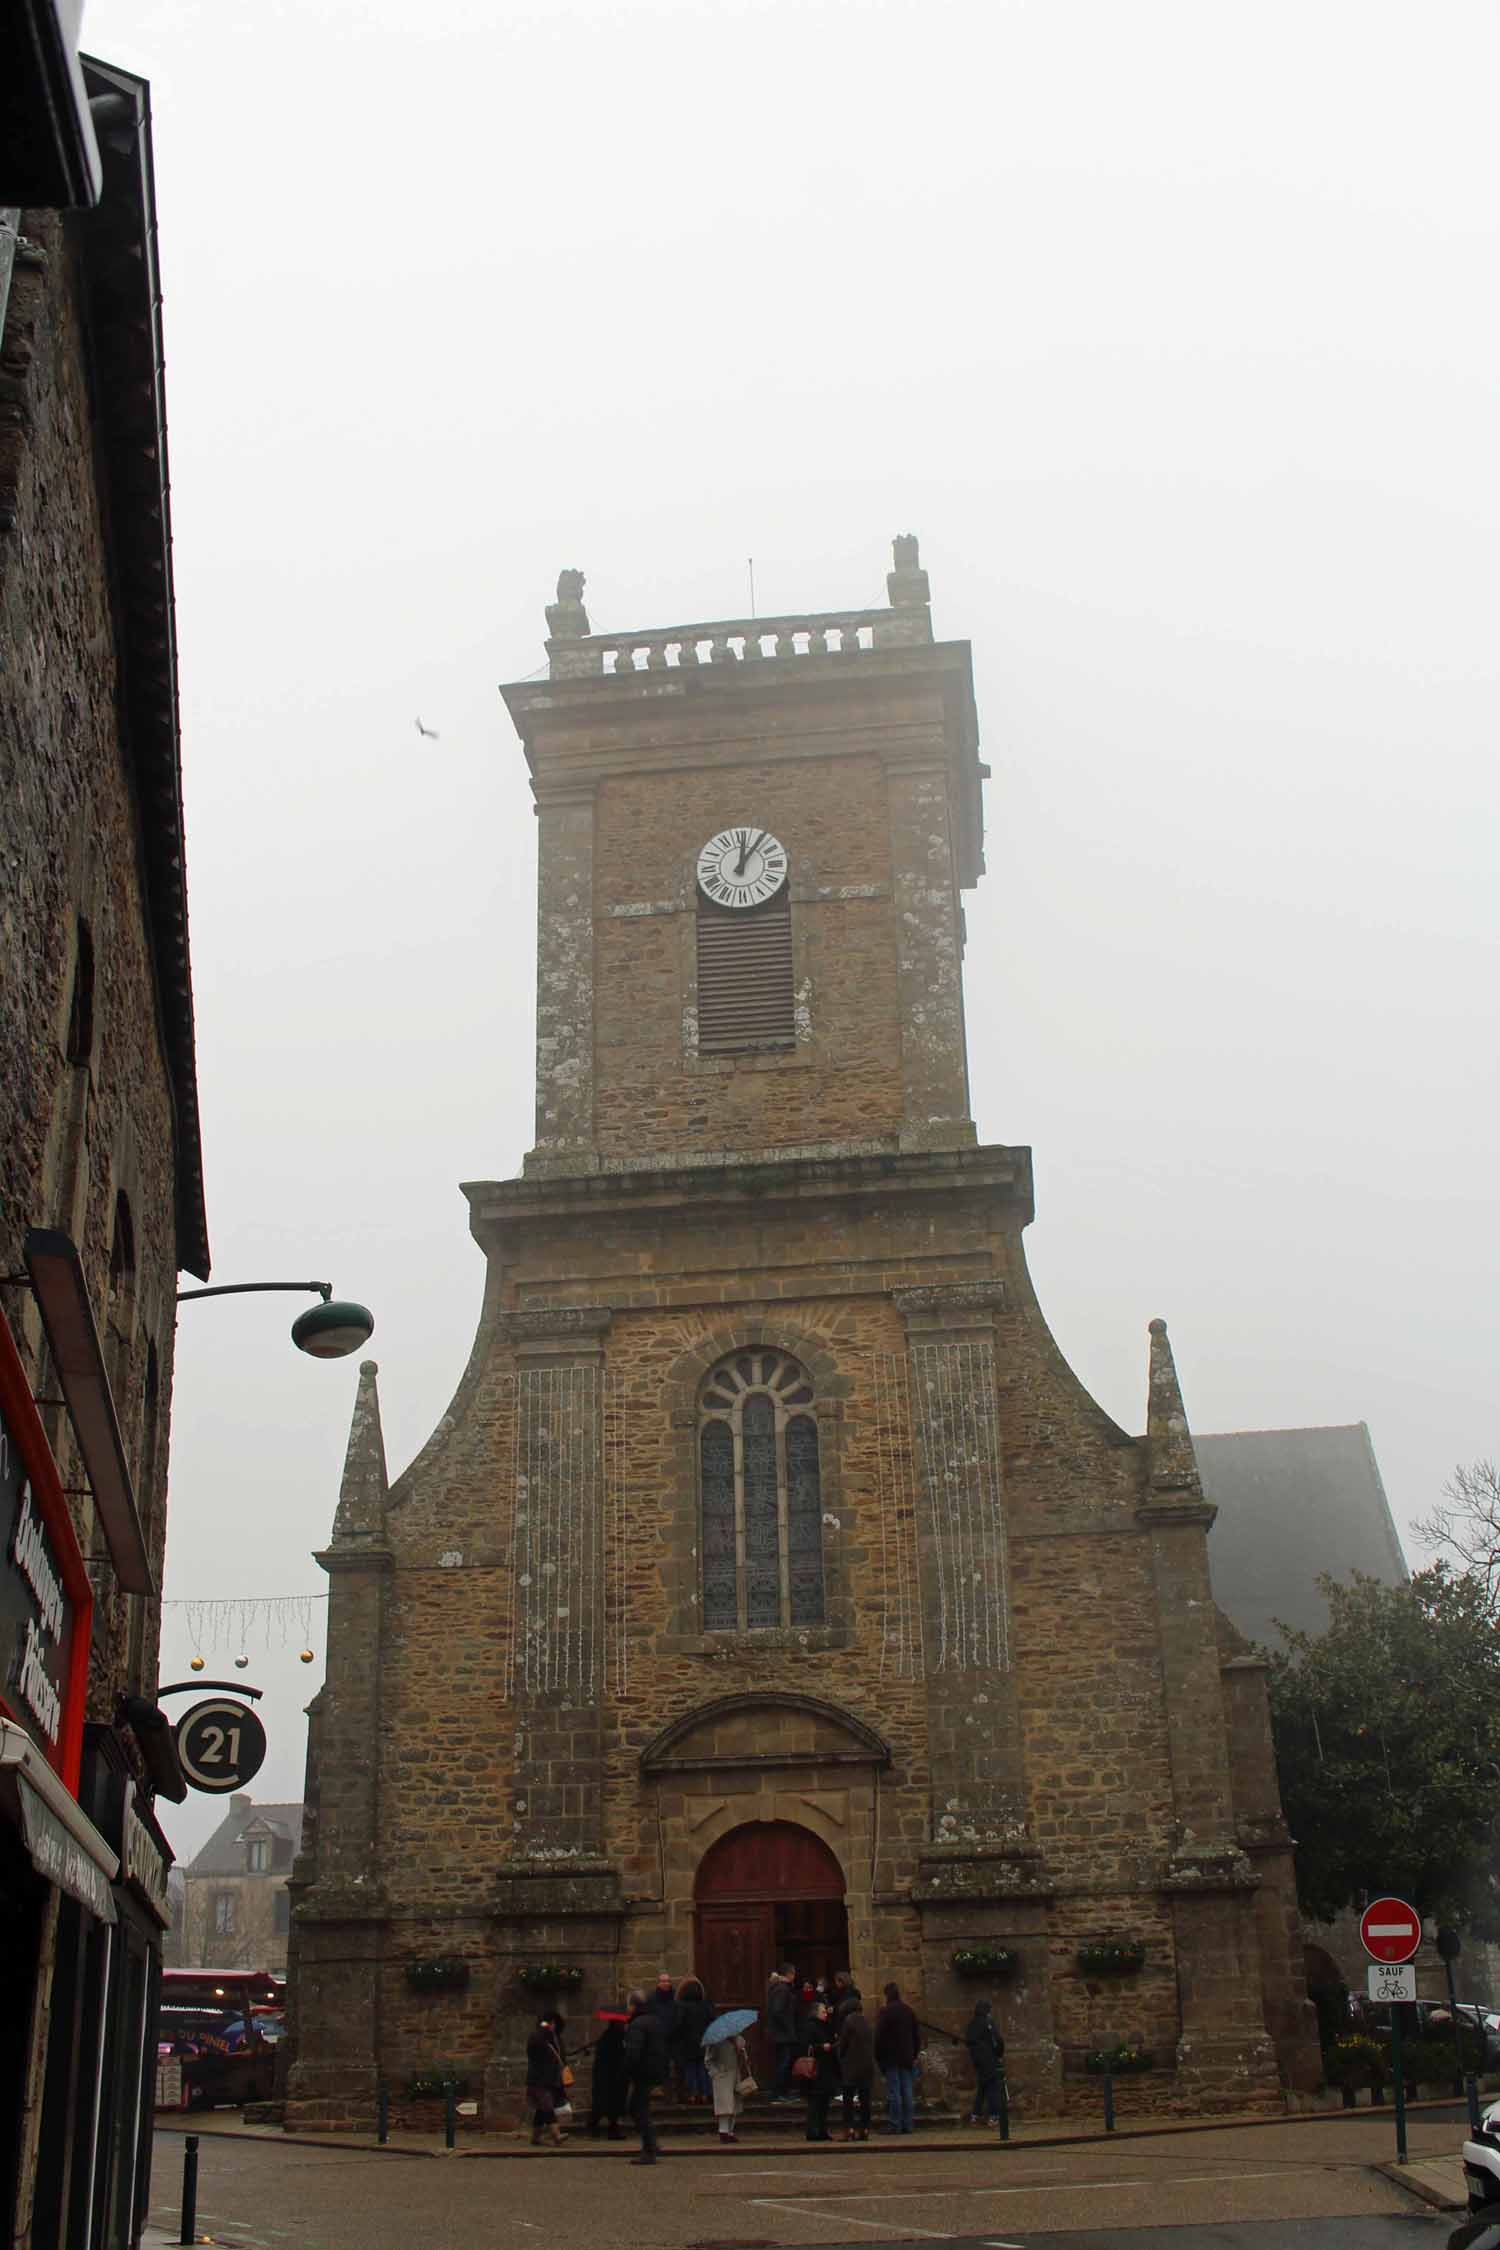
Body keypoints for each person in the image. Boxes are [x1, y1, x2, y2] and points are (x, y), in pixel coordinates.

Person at [622, 1986, 669, 2164]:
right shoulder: (655, 2020)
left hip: (643, 2072)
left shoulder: (637, 2025)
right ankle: (652, 2145)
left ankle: (649, 2149)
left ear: (633, 2006)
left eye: (628, 2005)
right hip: (654, 2070)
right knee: (641, 2109)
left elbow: (634, 2052)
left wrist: (625, 2071)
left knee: (637, 2109)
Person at [874, 1981, 920, 2135]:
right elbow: (916, 2035)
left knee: (894, 2092)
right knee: (907, 2091)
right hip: (906, 2056)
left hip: (891, 2057)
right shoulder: (908, 2011)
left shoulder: (885, 2012)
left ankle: (895, 2124)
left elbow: (879, 2037)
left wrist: (879, 2056)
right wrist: (914, 2054)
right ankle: (908, 2124)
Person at [835, 1995, 875, 2141]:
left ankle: (849, 2129)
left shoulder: (848, 2021)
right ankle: (864, 2129)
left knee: (848, 2100)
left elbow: (843, 2044)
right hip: (867, 2067)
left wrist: (840, 2056)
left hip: (852, 2067)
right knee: (865, 2100)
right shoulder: (866, 2022)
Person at [525, 2014, 567, 2149]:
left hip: (546, 2080)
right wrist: (546, 2029)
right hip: (538, 2080)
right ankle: (556, 2135)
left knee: (542, 2109)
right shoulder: (539, 2037)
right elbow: (535, 2049)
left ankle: (535, 2138)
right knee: (547, 2107)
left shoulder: (552, 2039)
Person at [962, 1997, 1005, 2126]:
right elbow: (998, 2040)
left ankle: (975, 2115)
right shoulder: (988, 2022)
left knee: (982, 2086)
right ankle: (994, 2116)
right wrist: (999, 2054)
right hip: (989, 2059)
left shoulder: (972, 2023)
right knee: (992, 2087)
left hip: (978, 2060)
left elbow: (969, 2041)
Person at [705, 2027, 750, 2144]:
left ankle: (730, 2132)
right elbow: (708, 2060)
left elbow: (744, 2059)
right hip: (722, 2076)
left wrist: (741, 2052)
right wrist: (715, 2073)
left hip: (736, 2074)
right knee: (724, 2105)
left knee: (735, 2104)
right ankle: (723, 2131)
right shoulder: (715, 2041)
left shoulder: (740, 2040)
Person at [802, 1999, 839, 2143]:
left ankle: (822, 2130)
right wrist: (821, 2047)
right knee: (815, 2101)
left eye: (825, 2012)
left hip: (826, 2068)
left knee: (824, 2102)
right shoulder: (810, 2026)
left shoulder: (826, 2026)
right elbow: (807, 2046)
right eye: (823, 2012)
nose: (825, 2014)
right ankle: (812, 2130)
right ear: (816, 2013)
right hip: (816, 2069)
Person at [672, 1976, 713, 2103]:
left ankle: (693, 2094)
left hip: (687, 2043)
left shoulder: (681, 2006)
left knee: (690, 2069)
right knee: (703, 2069)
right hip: (704, 2042)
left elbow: (678, 2025)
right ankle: (705, 2093)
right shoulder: (705, 2005)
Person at [587, 2015, 629, 2140]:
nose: (624, 2025)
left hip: (617, 2076)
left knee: (615, 2105)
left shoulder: (621, 2037)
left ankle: (613, 2129)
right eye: (621, 2023)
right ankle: (593, 2126)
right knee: (601, 2104)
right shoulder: (609, 2038)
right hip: (607, 2076)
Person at [767, 1965, 798, 2102]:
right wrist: (788, 2028)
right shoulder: (782, 1989)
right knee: (783, 2063)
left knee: (783, 2062)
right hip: (782, 2035)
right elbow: (778, 2010)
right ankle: (778, 2093)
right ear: (790, 1974)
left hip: (779, 2033)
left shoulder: (779, 1988)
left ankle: (782, 2091)